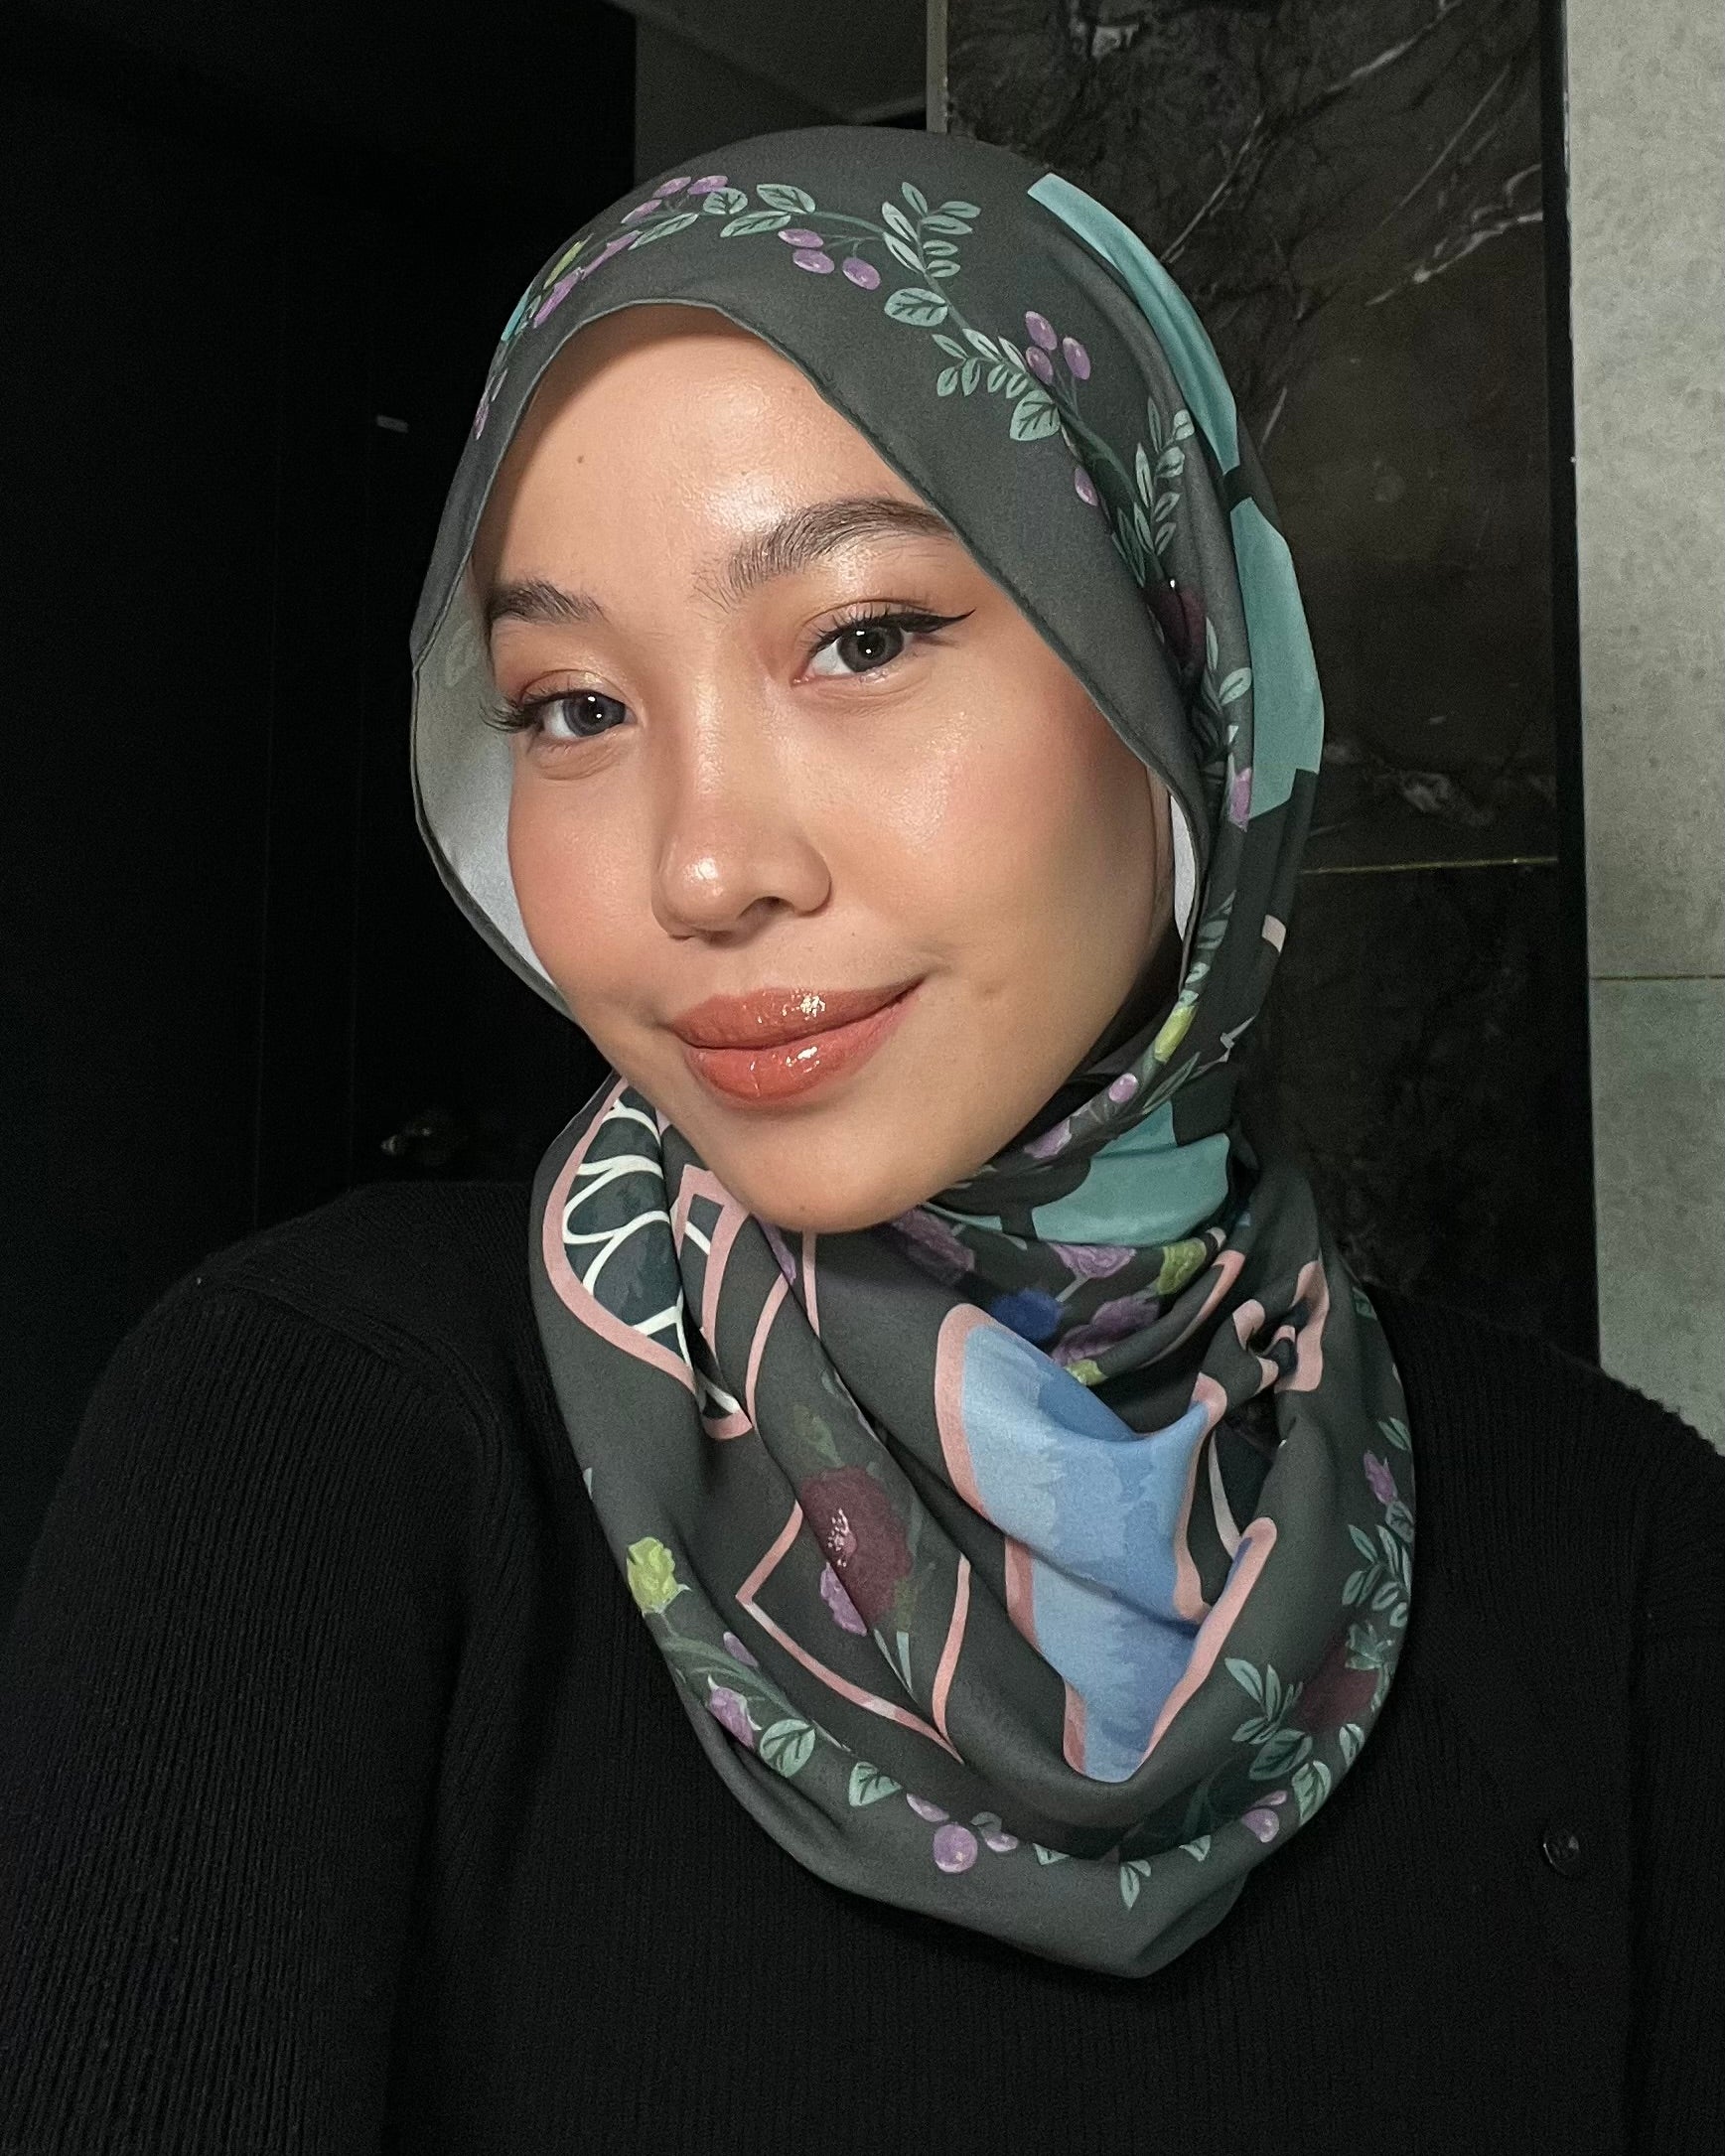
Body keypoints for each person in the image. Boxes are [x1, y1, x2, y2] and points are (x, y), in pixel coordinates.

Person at [2, 124, 1720, 2155]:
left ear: (1176, 667)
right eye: (571, 705)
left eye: (862, 637)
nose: (703, 867)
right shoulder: (318, 1441)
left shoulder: (1612, 1554)